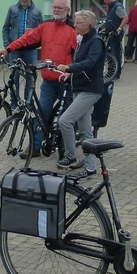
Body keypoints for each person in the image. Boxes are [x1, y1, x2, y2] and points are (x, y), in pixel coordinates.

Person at [0, 0, 76, 156]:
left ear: (68, 10)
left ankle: (64, 149)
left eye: (60, 8)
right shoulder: (46, 26)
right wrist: (8, 49)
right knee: (41, 113)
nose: (56, 10)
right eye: (55, 7)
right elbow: (27, 39)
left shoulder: (74, 30)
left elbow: (80, 55)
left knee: (65, 118)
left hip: (66, 81)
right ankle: (35, 147)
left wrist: (72, 71)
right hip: (48, 80)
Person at [55, 11, 106, 175]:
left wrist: (69, 67)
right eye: (75, 22)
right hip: (80, 87)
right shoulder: (84, 40)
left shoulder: (96, 41)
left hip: (90, 90)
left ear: (88, 25)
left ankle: (70, 156)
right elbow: (81, 63)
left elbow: (90, 63)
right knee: (85, 132)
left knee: (64, 121)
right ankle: (91, 168)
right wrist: (69, 74)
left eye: (78, 23)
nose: (74, 25)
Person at [1, 0, 43, 107]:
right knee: (14, 77)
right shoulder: (12, 9)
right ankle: (14, 103)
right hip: (14, 49)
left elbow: (43, 31)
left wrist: (33, 31)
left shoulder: (37, 12)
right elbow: (5, 28)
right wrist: (7, 46)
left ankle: (28, 102)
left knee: (30, 76)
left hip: (30, 50)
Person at [100, 0, 128, 79]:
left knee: (115, 53)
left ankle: (116, 73)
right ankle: (111, 72)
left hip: (116, 33)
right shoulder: (112, 6)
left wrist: (119, 28)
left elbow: (125, 18)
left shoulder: (117, 6)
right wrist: (106, 28)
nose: (104, 1)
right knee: (110, 52)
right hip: (111, 32)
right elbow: (112, 19)